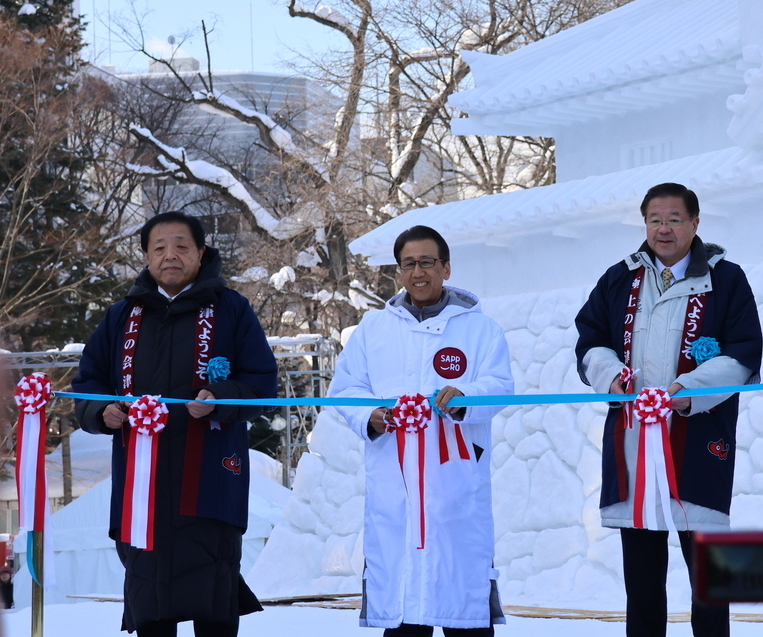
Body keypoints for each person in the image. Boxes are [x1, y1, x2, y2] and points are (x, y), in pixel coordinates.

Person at [73, 212, 278, 636]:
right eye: (159, 247)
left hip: (211, 479)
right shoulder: (120, 317)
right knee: (150, 599)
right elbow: (88, 384)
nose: (171, 255)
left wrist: (221, 399)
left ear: (201, 254)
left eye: (182, 246)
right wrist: (100, 412)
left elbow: (261, 383)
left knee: (214, 595)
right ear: (146, 257)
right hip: (139, 484)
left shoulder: (231, 310)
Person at [574, 182, 763, 637]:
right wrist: (611, 376)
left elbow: (743, 352)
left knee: (708, 582)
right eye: (655, 219)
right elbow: (590, 341)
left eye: (674, 219)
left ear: (695, 224)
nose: (664, 228)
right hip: (633, 440)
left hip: (698, 441)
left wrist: (688, 388)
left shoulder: (726, 278)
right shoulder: (620, 278)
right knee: (641, 583)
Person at [329, 225, 514, 636]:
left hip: (455, 484)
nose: (418, 272)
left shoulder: (480, 330)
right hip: (394, 486)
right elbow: (346, 390)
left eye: (427, 262)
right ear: (399, 271)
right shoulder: (373, 330)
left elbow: (501, 388)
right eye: (408, 263)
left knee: (460, 601)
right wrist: (372, 415)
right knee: (402, 605)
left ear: (446, 268)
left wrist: (465, 395)